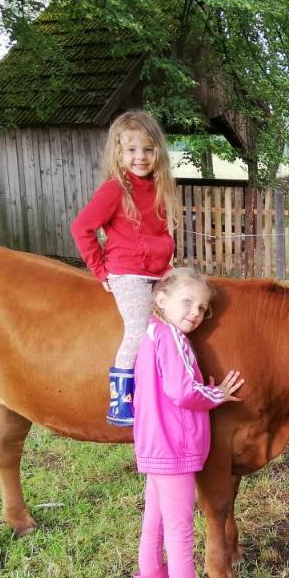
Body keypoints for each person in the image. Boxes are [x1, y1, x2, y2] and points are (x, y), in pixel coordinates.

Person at [130, 267, 245, 578]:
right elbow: (181, 392)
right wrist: (216, 395)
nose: (195, 312)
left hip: (152, 445)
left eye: (201, 308)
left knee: (154, 525)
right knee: (180, 534)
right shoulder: (174, 339)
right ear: (161, 299)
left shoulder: (150, 334)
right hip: (175, 450)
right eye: (187, 302)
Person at [70, 110, 180, 426]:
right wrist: (100, 271)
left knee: (187, 307)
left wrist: (169, 266)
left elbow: (158, 233)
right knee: (139, 327)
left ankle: (168, 383)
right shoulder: (115, 190)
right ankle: (121, 400)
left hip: (159, 271)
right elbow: (82, 228)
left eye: (147, 149)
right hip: (128, 272)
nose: (140, 157)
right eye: (131, 150)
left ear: (157, 151)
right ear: (119, 153)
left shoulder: (160, 187)